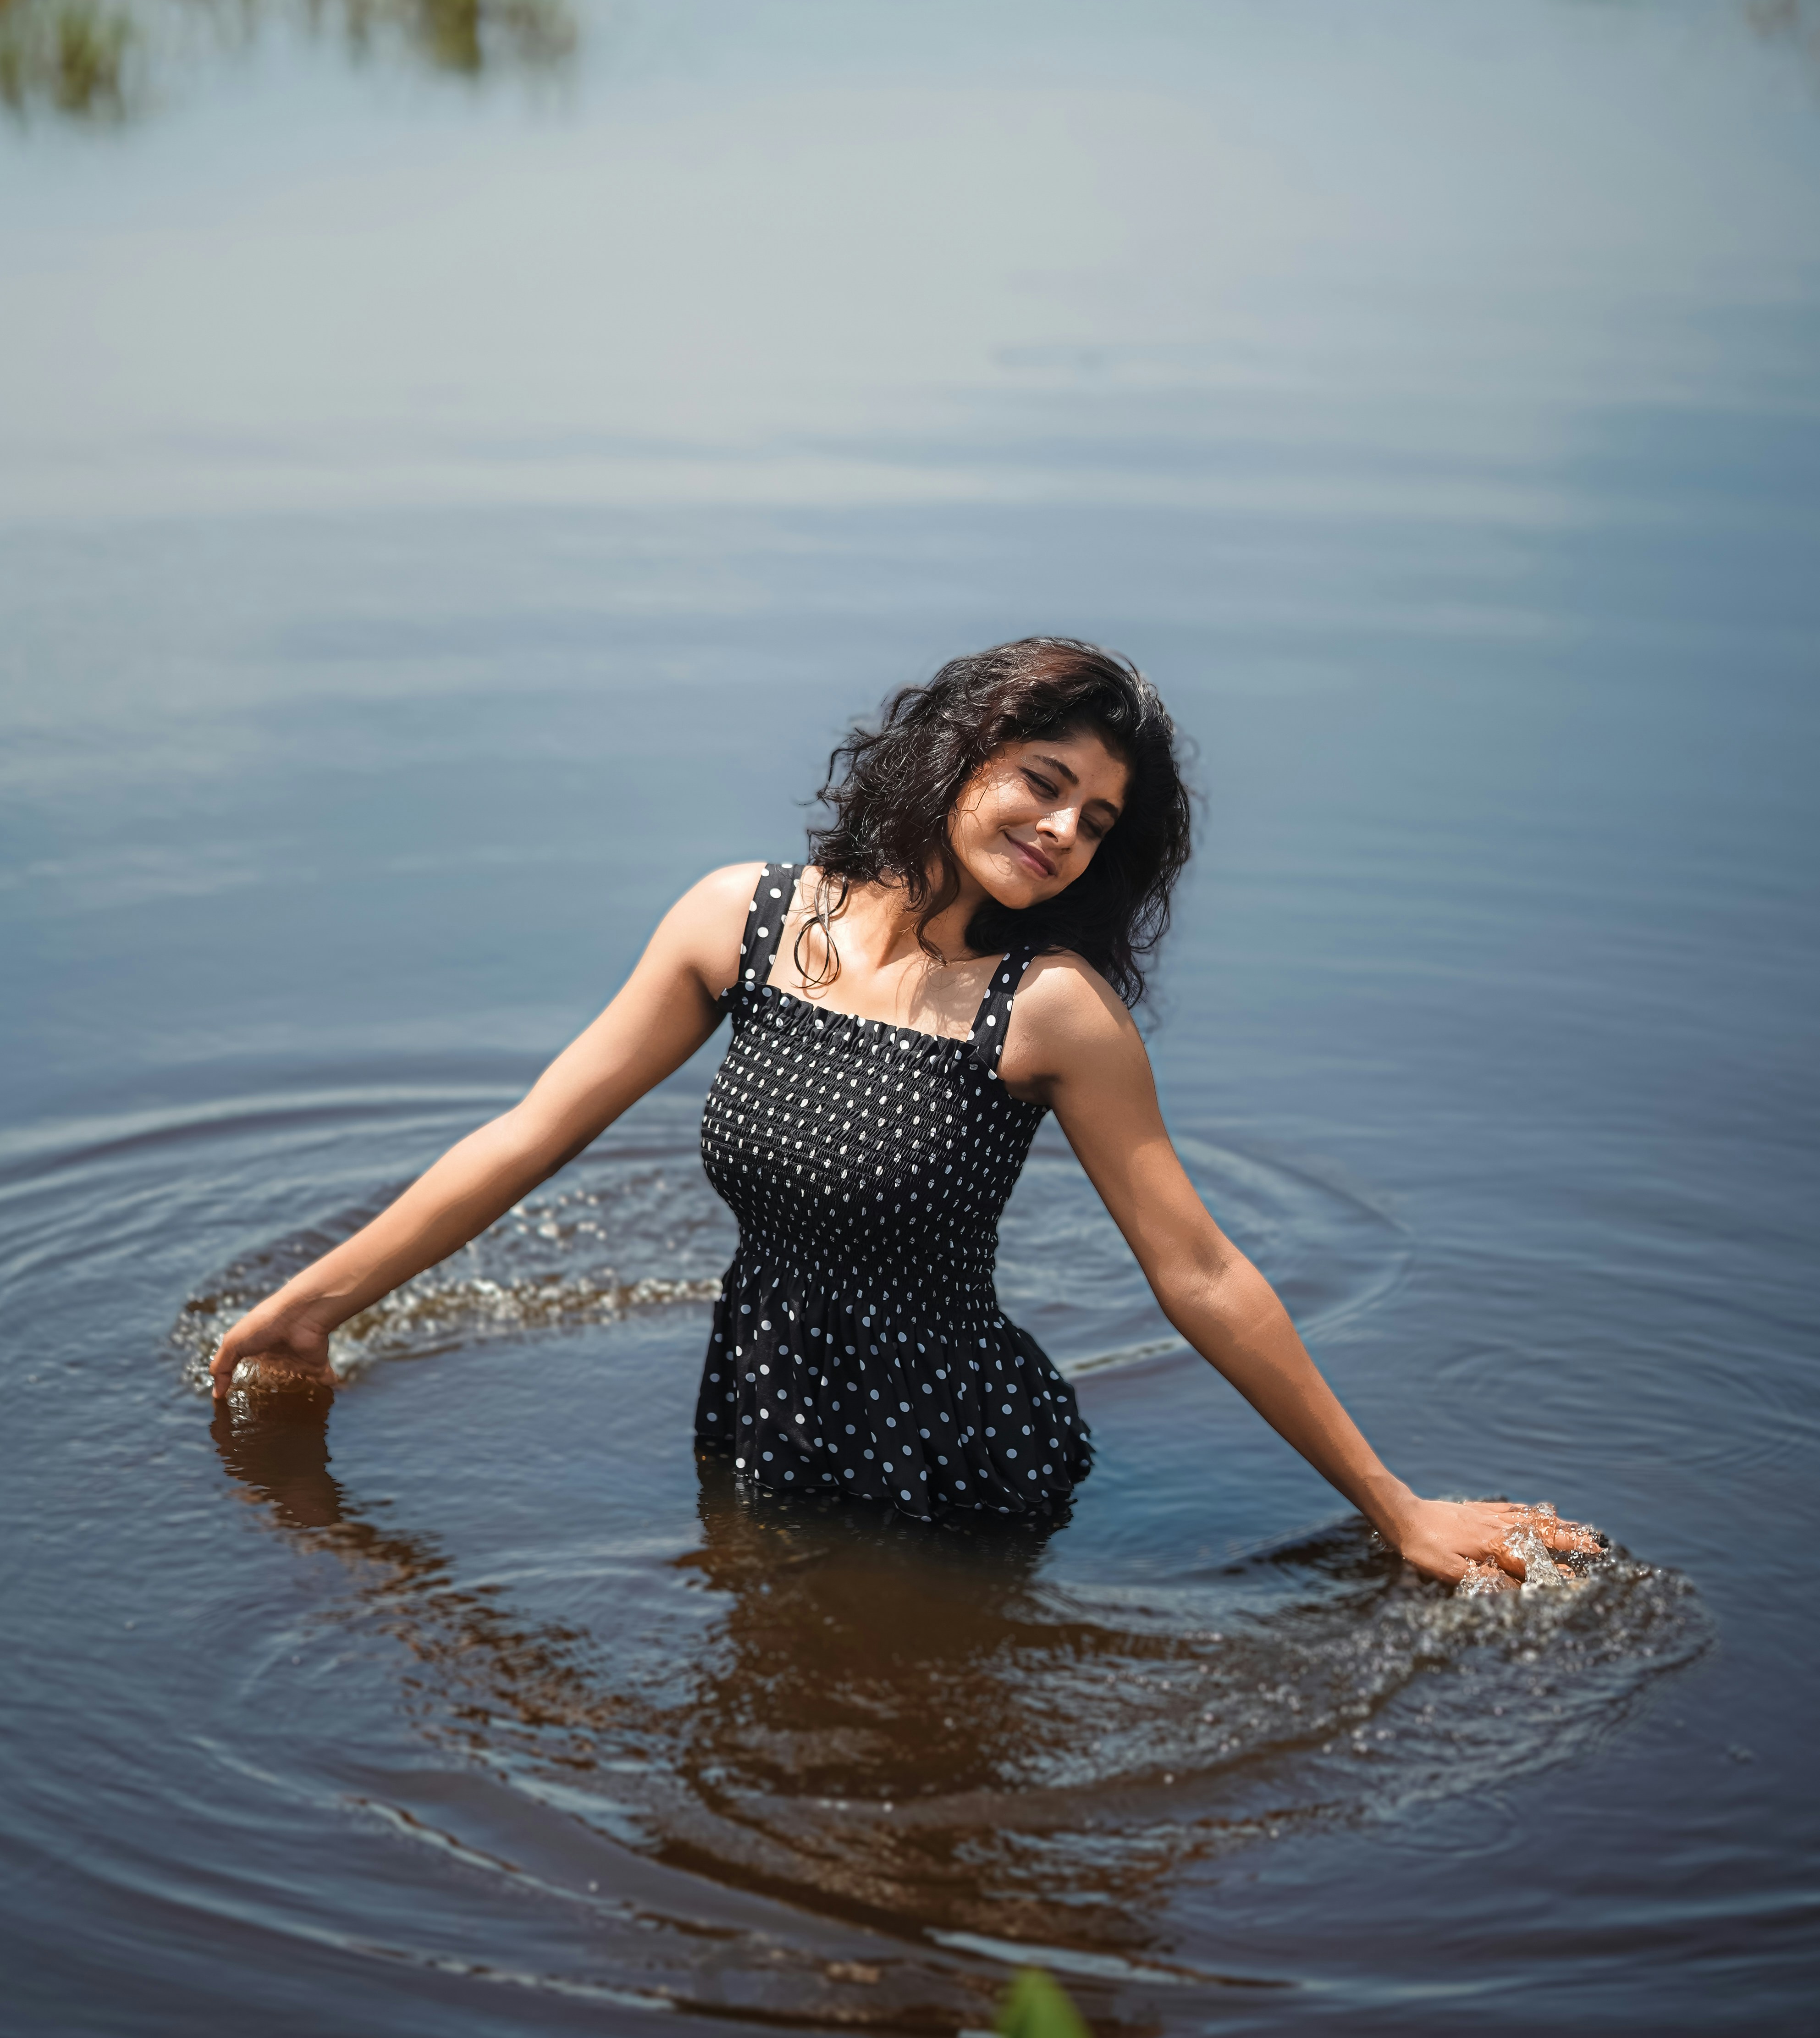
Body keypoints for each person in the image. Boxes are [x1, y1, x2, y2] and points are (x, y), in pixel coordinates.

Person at [210, 636, 1592, 1586]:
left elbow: (1200, 1270)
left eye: (1096, 820)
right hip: (754, 1407)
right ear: (957, 754)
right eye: (1042, 781)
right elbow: (528, 1134)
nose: (1060, 830)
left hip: (952, 1453)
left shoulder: (1048, 1010)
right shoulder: (737, 921)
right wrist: (316, 1306)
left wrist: (1394, 1508)